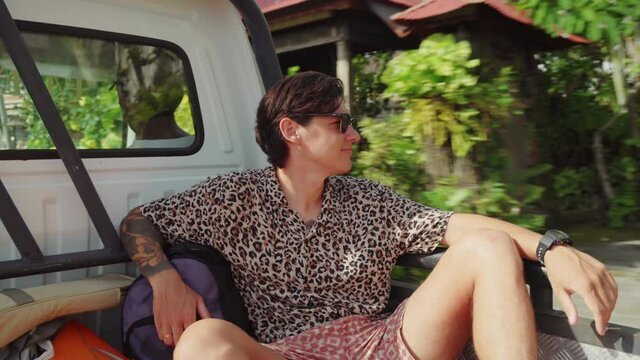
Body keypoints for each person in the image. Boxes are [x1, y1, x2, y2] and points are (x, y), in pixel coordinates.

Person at [119, 71, 618, 359]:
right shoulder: (235, 198)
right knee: (203, 340)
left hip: (379, 344)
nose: (355, 135)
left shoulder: (368, 200)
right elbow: (139, 220)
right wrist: (163, 278)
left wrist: (551, 248)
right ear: (292, 131)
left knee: (486, 246)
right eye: (341, 123)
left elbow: (457, 227)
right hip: (288, 352)